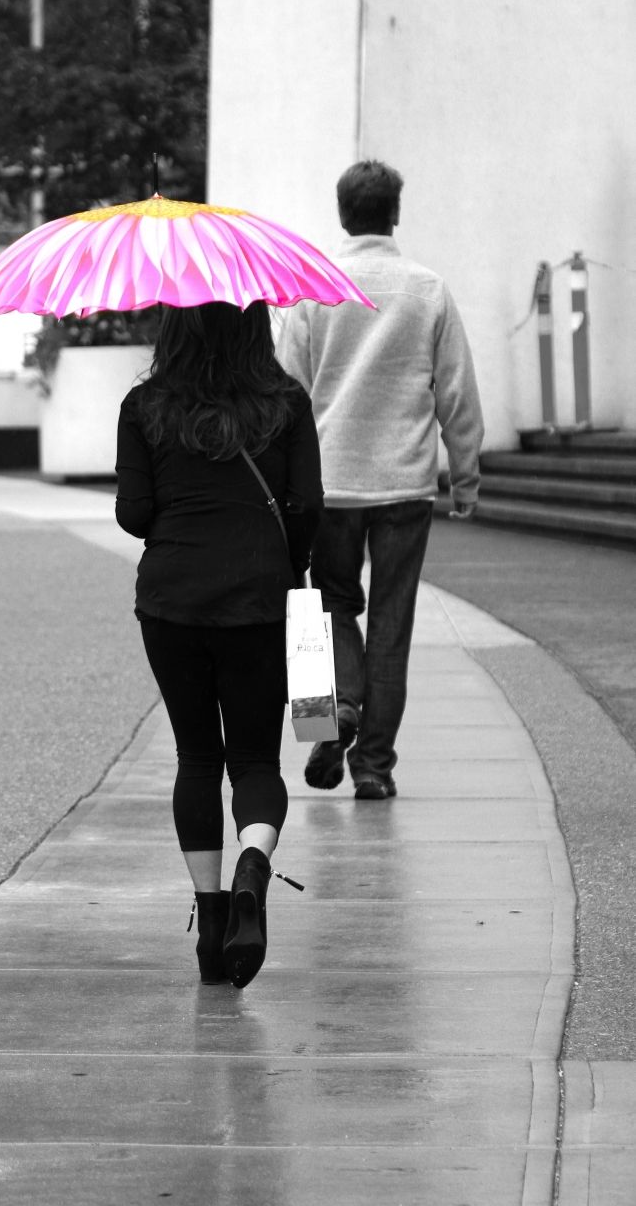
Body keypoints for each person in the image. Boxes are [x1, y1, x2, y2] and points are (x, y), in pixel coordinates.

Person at [115, 301, 322, 988]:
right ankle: (253, 868)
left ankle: (210, 929)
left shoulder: (145, 406)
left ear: (174, 326)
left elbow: (133, 514)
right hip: (260, 600)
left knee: (197, 756)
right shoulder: (286, 403)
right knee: (257, 758)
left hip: (171, 600)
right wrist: (281, 558)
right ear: (255, 324)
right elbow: (308, 507)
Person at [277, 159, 484, 800]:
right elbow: (455, 391)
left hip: (327, 482)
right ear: (394, 213)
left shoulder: (313, 289)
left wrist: (283, 480)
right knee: (392, 624)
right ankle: (373, 768)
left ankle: (325, 724)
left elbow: (286, 394)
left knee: (317, 608)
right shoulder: (427, 289)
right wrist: (466, 475)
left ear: (343, 214)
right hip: (404, 485)